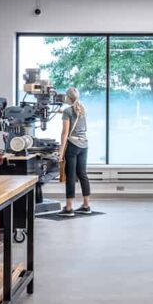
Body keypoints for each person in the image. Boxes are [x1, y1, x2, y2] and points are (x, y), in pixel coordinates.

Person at [57, 87, 92, 217]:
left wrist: (60, 153)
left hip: (73, 146)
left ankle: (69, 208)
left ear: (67, 98)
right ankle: (86, 206)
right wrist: (62, 113)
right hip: (84, 145)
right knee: (82, 174)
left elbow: (65, 133)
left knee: (70, 177)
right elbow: (74, 117)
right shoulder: (82, 109)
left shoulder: (68, 111)